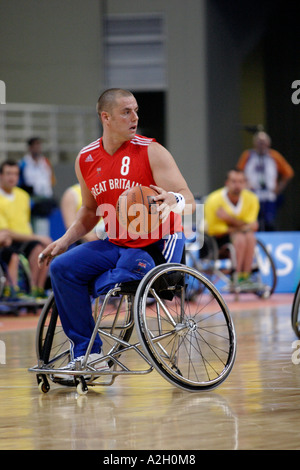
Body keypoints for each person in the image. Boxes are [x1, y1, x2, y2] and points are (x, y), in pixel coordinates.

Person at [39, 88, 195, 374]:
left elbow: (188, 199)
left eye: (136, 110)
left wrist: (175, 199)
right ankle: (88, 354)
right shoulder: (86, 159)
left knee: (121, 277)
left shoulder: (151, 151)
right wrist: (64, 240)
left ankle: (101, 287)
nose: (135, 117)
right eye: (127, 111)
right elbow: (88, 211)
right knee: (62, 268)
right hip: (116, 241)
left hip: (156, 242)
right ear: (106, 117)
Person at [0, 159, 52, 299]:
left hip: (24, 239)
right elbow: (5, 232)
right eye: (8, 173)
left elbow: (26, 225)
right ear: (1, 176)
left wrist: (36, 239)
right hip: (8, 241)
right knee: (20, 249)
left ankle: (36, 290)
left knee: (42, 249)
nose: (12, 177)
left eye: (15, 174)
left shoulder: (23, 196)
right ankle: (12, 291)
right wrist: (37, 237)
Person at [204, 168, 259, 286]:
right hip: (217, 243)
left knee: (249, 236)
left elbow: (253, 226)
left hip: (240, 238)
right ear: (227, 183)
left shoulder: (252, 199)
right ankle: (236, 276)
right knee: (240, 237)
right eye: (234, 181)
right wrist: (241, 226)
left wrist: (228, 219)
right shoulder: (213, 200)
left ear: (245, 183)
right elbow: (214, 230)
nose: (237, 185)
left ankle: (245, 276)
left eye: (240, 182)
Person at [237, 131, 294, 231]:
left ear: (268, 144)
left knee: (270, 221)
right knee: (252, 220)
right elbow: (238, 172)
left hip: (269, 195)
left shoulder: (274, 156)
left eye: (263, 142)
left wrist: (279, 187)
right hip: (251, 194)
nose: (261, 145)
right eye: (259, 142)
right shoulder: (248, 155)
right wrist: (244, 184)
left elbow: (288, 173)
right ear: (254, 143)